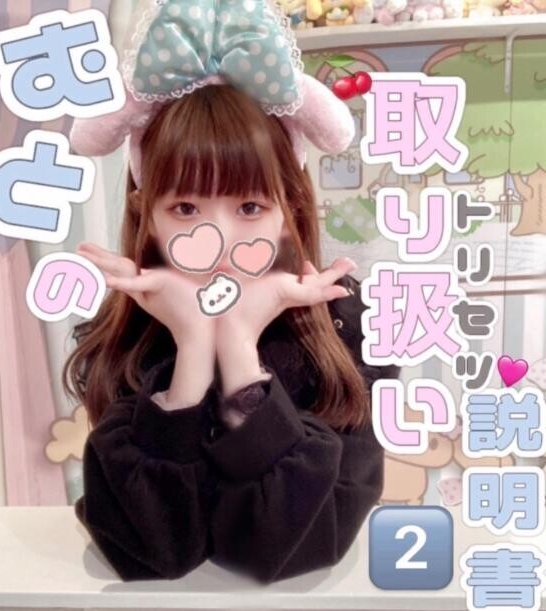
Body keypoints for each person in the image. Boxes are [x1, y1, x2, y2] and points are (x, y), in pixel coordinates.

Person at [63, 0, 400, 585]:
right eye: (185, 208)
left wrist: (240, 348)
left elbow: (304, 546)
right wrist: (194, 347)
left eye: (248, 206)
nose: (217, 241)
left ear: (289, 206)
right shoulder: (119, 337)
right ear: (146, 211)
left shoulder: (353, 328)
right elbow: (152, 551)